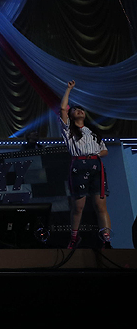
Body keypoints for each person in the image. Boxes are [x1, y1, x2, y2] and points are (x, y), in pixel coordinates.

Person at [59, 80, 111, 249]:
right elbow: (62, 109)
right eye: (75, 109)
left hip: (96, 166)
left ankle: (106, 239)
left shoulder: (93, 132)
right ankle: (74, 237)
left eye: (81, 109)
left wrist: (96, 154)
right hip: (79, 166)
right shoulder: (69, 130)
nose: (79, 110)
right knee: (78, 207)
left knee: (100, 205)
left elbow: (105, 151)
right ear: (71, 115)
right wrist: (68, 89)